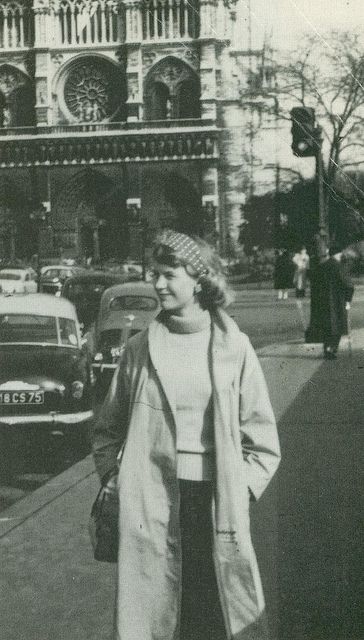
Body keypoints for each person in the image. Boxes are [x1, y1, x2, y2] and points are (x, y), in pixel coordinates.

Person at [92, 229, 281, 640]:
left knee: (214, 615)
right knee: (158, 617)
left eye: (168, 274)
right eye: (153, 273)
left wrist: (238, 491)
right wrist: (116, 479)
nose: (157, 284)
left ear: (199, 279)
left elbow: (263, 442)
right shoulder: (138, 349)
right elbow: (107, 428)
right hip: (151, 501)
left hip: (214, 501)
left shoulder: (236, 348)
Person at [318, 248, 354, 359]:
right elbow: (349, 285)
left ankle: (327, 348)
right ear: (339, 254)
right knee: (337, 325)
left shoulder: (323, 266)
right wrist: (348, 300)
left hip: (324, 300)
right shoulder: (339, 267)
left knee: (327, 325)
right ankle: (332, 349)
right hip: (338, 301)